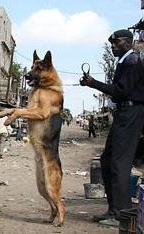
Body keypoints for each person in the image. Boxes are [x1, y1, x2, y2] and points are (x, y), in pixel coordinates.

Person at [80, 29, 144, 227]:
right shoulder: (125, 61)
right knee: (107, 160)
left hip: (131, 114)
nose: (113, 47)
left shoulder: (132, 61)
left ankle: (121, 214)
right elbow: (119, 94)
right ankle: (113, 208)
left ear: (127, 42)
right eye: (112, 44)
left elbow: (121, 92)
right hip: (123, 114)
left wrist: (94, 83)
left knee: (119, 163)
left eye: (116, 43)